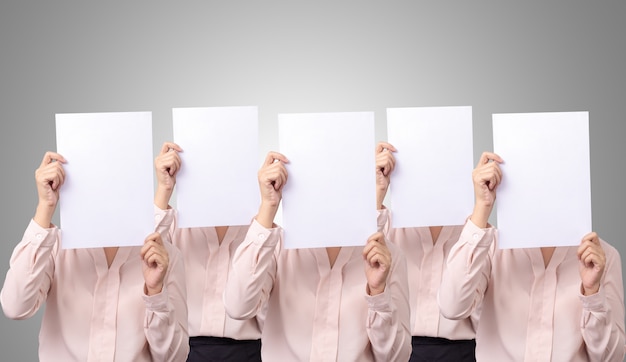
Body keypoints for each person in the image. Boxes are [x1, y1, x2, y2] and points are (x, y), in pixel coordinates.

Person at [0, 151, 189, 362]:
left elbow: (174, 357)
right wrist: (45, 207)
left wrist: (156, 293)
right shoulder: (55, 248)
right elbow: (15, 306)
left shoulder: (164, 258)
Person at [223, 151, 412, 361]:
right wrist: (267, 207)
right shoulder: (276, 247)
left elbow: (397, 357)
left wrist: (378, 293)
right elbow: (237, 307)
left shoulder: (387, 257)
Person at [438, 151, 626, 361]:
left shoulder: (602, 258)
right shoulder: (491, 248)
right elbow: (451, 306)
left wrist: (593, 293)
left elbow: (612, 357)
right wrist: (481, 208)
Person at [153, 142, 264, 361]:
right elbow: (142, 258)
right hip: (186, 352)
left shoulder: (259, 232)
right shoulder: (173, 224)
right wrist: (164, 189)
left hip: (248, 352)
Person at [375, 142, 479, 361]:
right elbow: (359, 269)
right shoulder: (386, 225)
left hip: (462, 352)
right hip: (398, 351)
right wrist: (377, 192)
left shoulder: (475, 234)